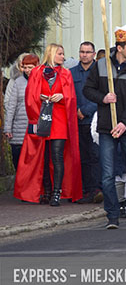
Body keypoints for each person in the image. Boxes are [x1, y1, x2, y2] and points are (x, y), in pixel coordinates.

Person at [83, 26, 126, 228]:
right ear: (120, 48)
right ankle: (112, 214)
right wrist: (103, 98)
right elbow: (87, 90)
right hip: (106, 126)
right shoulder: (101, 66)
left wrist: (124, 123)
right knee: (107, 174)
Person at [14, 45, 81, 206]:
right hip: (43, 118)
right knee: (43, 158)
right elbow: (30, 96)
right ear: (51, 54)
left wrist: (62, 96)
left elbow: (72, 97)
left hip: (60, 119)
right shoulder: (37, 72)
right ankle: (47, 191)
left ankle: (57, 193)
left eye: (63, 54)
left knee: (57, 156)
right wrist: (41, 97)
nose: (63, 57)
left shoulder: (65, 73)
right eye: (60, 54)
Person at [70, 42, 101, 204]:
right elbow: (68, 94)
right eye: (82, 51)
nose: (84, 55)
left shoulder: (100, 72)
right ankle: (86, 190)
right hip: (77, 121)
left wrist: (85, 110)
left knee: (96, 156)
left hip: (95, 121)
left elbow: (103, 95)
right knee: (82, 157)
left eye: (88, 52)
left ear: (94, 54)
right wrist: (76, 110)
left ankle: (97, 189)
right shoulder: (72, 73)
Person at [4, 54, 38, 169]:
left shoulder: (42, 81)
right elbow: (11, 106)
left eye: (30, 67)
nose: (27, 70)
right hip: (19, 128)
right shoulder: (18, 82)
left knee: (33, 163)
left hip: (36, 128)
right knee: (18, 160)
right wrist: (8, 128)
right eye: (25, 67)